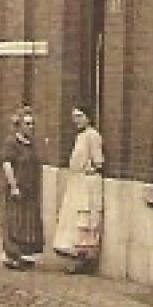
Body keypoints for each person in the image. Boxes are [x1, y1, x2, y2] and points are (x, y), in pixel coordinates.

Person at [52, 107, 105, 270]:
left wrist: (93, 167)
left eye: (80, 116)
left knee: (85, 217)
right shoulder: (80, 136)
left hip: (87, 183)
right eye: (74, 116)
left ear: (88, 117)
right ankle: (75, 256)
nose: (77, 120)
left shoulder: (93, 135)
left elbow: (99, 161)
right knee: (73, 218)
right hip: (76, 181)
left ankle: (84, 259)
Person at [0, 105, 45, 269]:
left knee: (28, 222)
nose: (30, 127)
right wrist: (13, 186)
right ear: (19, 125)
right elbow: (7, 164)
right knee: (15, 221)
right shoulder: (11, 142)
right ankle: (12, 255)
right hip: (17, 188)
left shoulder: (31, 144)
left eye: (32, 124)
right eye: (27, 124)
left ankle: (25, 254)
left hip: (30, 190)